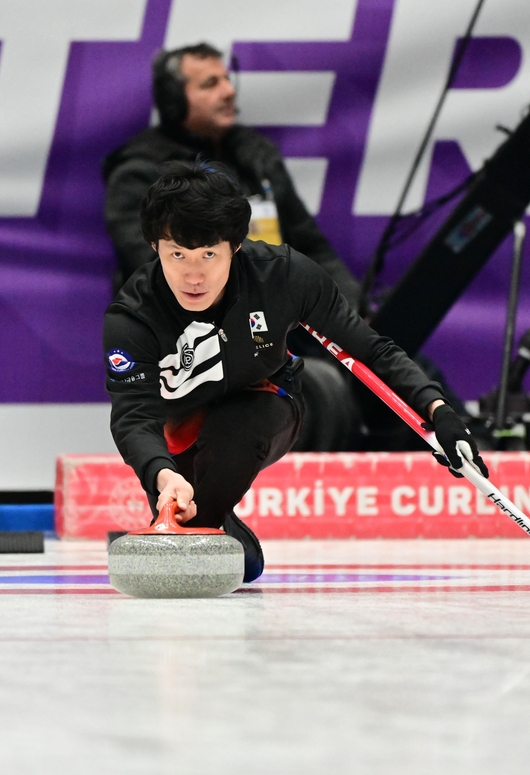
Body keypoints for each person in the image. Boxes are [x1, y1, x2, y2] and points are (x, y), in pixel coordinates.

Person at [103, 162, 487, 582]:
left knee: (235, 432)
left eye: (209, 254)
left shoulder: (284, 276)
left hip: (263, 403)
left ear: (235, 246)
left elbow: (371, 349)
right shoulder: (132, 316)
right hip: (178, 430)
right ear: (154, 247)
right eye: (177, 254)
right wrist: (161, 473)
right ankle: (228, 539)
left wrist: (440, 411)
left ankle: (209, 528)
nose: (193, 275)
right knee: (205, 537)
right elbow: (133, 415)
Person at [102, 43, 362, 308]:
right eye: (210, 84)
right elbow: (157, 268)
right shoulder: (140, 172)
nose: (228, 91)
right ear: (174, 100)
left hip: (275, 326)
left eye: (227, 79)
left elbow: (311, 248)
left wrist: (352, 311)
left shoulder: (254, 155)